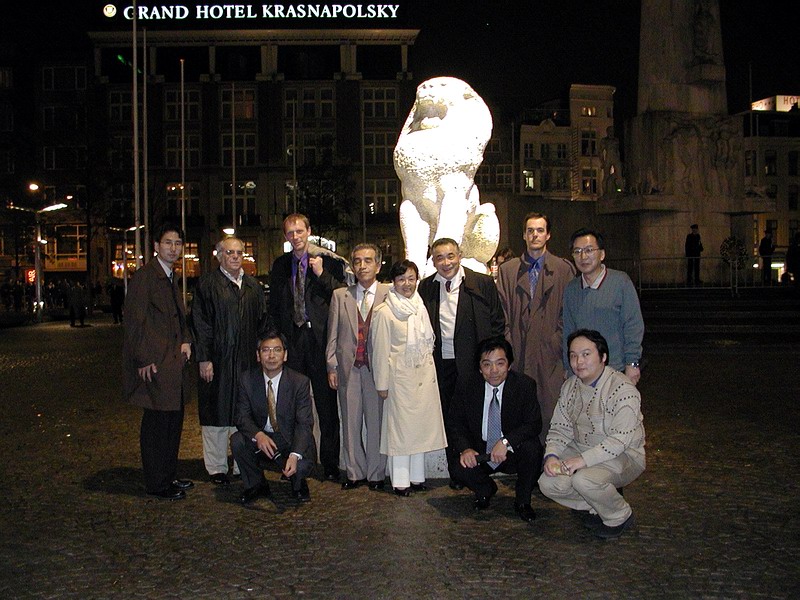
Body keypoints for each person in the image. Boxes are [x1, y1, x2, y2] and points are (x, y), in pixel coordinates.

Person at [538, 329, 645, 539]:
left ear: (603, 357)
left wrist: (582, 461)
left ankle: (619, 515)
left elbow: (619, 441)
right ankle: (596, 504)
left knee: (584, 480)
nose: (579, 362)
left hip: (623, 455)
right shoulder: (570, 386)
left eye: (586, 354)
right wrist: (551, 455)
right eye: (573, 355)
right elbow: (560, 428)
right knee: (547, 483)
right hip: (582, 450)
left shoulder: (622, 389)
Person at [418, 238, 505, 489]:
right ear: (432, 260)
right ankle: (458, 472)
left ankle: (479, 469)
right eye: (439, 258)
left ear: (460, 255)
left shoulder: (482, 283)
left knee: (474, 415)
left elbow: (497, 321)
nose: (446, 263)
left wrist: (490, 360)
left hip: (473, 363)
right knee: (448, 418)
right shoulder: (426, 287)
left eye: (450, 256)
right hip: (441, 364)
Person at [268, 213, 346, 482]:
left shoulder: (329, 263)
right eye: (290, 233)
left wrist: (321, 274)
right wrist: (277, 340)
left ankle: (331, 464)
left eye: (299, 231)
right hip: (293, 343)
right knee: (292, 407)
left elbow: (341, 295)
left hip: (320, 342)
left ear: (309, 231)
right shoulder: (280, 266)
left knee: (326, 407)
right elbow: (275, 307)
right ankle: (298, 460)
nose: (295, 237)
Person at [123, 223, 194, 500]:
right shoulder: (145, 278)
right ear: (156, 246)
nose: (173, 248)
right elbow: (134, 322)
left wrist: (186, 340)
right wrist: (142, 358)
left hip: (172, 363)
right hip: (156, 364)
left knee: (172, 422)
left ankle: (168, 474)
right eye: (168, 243)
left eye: (177, 243)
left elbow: (179, 316)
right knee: (156, 425)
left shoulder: (169, 276)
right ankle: (157, 482)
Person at [191, 237, 269, 486]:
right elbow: (200, 325)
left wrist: (263, 352)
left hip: (247, 360)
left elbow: (263, 323)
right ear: (219, 255)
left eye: (239, 252)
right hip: (218, 359)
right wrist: (204, 358)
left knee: (243, 411)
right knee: (216, 411)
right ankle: (216, 467)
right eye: (229, 252)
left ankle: (241, 463)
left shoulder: (253, 287)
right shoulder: (207, 285)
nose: (235, 257)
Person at [496, 212, 575, 445]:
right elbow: (502, 313)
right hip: (518, 351)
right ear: (524, 235)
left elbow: (568, 313)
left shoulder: (563, 270)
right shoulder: (508, 271)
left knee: (550, 408)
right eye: (530, 230)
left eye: (540, 230)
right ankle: (524, 462)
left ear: (548, 235)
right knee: (520, 410)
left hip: (550, 354)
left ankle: (550, 459)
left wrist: (555, 342)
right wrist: (509, 343)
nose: (535, 235)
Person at [371, 260, 447, 497]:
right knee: (401, 434)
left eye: (411, 278)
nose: (407, 284)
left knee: (419, 432)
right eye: (401, 279)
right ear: (393, 282)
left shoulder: (420, 306)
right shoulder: (384, 312)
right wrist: (382, 385)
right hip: (400, 381)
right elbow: (380, 351)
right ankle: (400, 481)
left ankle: (417, 477)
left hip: (422, 377)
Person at [448, 336, 542, 522]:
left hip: (510, 451)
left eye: (500, 363)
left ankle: (523, 501)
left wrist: (506, 442)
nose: (494, 371)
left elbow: (533, 424)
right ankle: (485, 490)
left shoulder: (524, 385)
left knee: (533, 449)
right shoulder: (467, 385)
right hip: (480, 450)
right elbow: (454, 422)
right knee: (455, 459)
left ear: (509, 364)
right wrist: (465, 449)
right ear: (480, 367)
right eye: (487, 365)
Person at [326, 243, 389, 490]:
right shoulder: (341, 296)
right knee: (350, 423)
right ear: (352, 266)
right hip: (348, 369)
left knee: (376, 423)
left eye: (368, 260)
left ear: (378, 264)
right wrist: (331, 366)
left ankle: (376, 474)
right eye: (358, 261)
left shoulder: (390, 293)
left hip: (378, 370)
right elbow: (332, 334)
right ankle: (354, 473)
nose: (362, 266)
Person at [231, 332, 316, 504]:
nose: (271, 356)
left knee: (302, 457)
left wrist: (294, 454)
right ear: (258, 355)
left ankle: (298, 483)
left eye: (277, 350)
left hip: (289, 437)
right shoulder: (246, 380)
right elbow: (241, 416)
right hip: (263, 437)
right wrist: (258, 435)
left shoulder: (299, 382)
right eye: (266, 350)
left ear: (285, 355)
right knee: (237, 440)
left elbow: (304, 423)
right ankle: (256, 485)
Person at [563, 228, 644, 385]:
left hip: (615, 370)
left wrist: (632, 363)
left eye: (589, 250)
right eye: (577, 251)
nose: (583, 256)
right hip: (583, 373)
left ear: (602, 254)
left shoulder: (621, 282)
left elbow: (633, 325)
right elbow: (568, 330)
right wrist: (568, 367)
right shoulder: (571, 289)